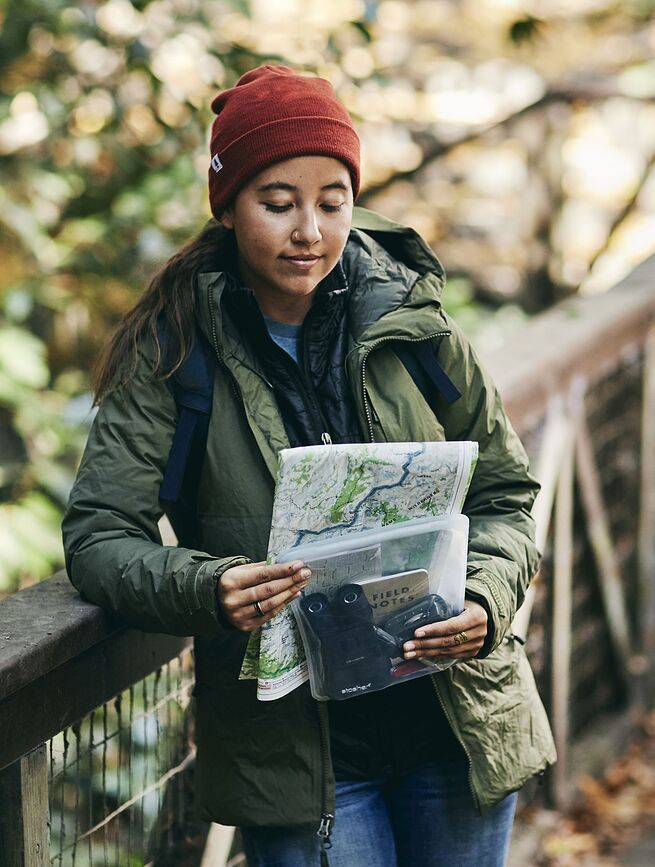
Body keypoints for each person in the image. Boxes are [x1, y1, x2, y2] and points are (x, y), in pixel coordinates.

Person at [62, 65, 555, 867]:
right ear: (226, 207)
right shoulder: (170, 352)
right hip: (299, 757)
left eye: (333, 200)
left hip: (453, 725)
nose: (310, 231)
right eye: (278, 202)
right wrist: (207, 584)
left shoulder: (413, 321)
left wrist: (483, 596)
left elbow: (503, 492)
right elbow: (97, 537)